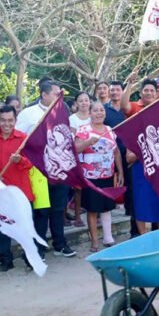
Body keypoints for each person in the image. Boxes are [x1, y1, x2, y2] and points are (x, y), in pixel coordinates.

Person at [16, 79, 77, 257]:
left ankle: (60, 244)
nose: (60, 97)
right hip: (38, 169)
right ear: (44, 94)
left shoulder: (62, 112)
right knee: (41, 210)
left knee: (58, 208)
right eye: (56, 94)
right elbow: (19, 138)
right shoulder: (28, 114)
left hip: (59, 167)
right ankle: (39, 248)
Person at [0, 105, 34, 272]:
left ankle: (30, 258)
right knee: (2, 227)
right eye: (3, 120)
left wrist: (20, 160)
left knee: (26, 227)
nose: (7, 124)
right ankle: (6, 260)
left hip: (21, 190)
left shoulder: (23, 138)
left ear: (16, 120)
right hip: (1, 190)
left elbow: (31, 164)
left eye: (10, 120)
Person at [75, 101, 124, 251]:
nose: (99, 113)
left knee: (106, 207)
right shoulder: (83, 130)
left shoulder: (110, 130)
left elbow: (116, 152)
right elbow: (75, 149)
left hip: (107, 175)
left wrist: (120, 171)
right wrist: (88, 142)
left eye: (101, 110)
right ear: (90, 113)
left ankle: (108, 237)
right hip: (90, 177)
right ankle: (95, 241)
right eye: (95, 110)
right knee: (92, 209)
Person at [122, 78, 159, 233]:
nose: (149, 93)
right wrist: (129, 84)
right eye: (146, 90)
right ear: (141, 93)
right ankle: (143, 237)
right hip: (140, 164)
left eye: (152, 91)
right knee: (140, 202)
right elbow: (124, 105)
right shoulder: (135, 109)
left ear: (157, 93)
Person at [104, 80, 138, 238]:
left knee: (131, 188)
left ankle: (132, 221)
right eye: (112, 90)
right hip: (111, 155)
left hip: (130, 154)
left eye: (118, 90)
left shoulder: (129, 109)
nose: (115, 92)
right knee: (109, 189)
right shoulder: (104, 110)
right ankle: (106, 229)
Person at [69, 92, 93, 228]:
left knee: (94, 185)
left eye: (86, 100)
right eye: (81, 101)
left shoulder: (94, 115)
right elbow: (72, 139)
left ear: (90, 102)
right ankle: (77, 216)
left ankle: (95, 213)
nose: (84, 103)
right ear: (76, 103)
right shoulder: (72, 119)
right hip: (77, 156)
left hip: (94, 156)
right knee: (78, 188)